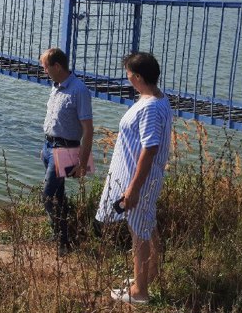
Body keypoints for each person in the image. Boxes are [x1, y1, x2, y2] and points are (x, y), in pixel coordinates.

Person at [95, 52, 173, 305]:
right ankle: (148, 276)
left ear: (138, 76)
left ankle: (140, 293)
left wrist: (133, 190)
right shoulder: (158, 99)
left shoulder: (150, 107)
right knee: (148, 226)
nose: (127, 78)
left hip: (141, 180)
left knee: (139, 232)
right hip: (144, 179)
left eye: (128, 73)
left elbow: (149, 149)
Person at [39, 47, 93, 255]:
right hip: (49, 147)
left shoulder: (78, 90)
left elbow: (88, 130)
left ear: (57, 66)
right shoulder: (56, 86)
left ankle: (62, 235)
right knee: (58, 196)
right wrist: (44, 148)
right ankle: (63, 239)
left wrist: (82, 161)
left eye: (45, 67)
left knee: (47, 195)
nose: (44, 71)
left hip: (65, 149)